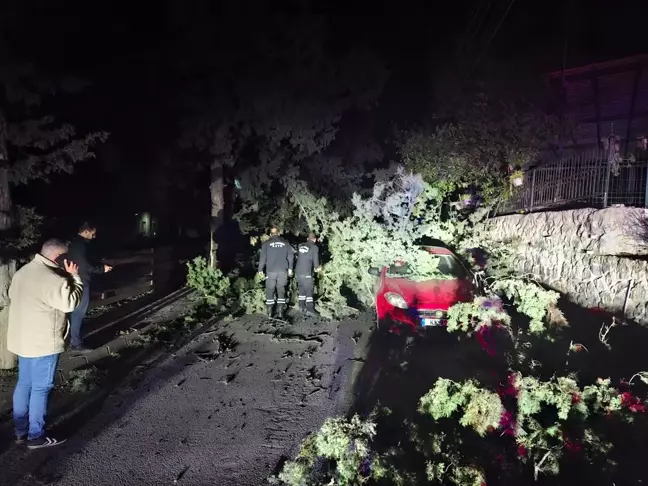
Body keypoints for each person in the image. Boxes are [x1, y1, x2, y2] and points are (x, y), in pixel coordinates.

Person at [7, 239, 84, 449]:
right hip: (43, 343)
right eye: (65, 257)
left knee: (24, 385)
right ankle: (36, 436)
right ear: (58, 258)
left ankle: (20, 432)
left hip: (23, 340)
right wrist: (74, 277)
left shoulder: (23, 272)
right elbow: (70, 302)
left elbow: (13, 296)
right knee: (41, 388)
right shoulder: (52, 279)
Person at [58, 222, 112, 352]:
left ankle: (71, 339)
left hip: (75, 280)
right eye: (93, 234)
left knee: (74, 312)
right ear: (86, 232)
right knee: (78, 313)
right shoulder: (80, 245)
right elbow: (84, 265)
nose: (94, 237)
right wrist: (101, 268)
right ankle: (75, 343)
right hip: (80, 282)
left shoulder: (76, 244)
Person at [257, 226, 294, 318]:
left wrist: (260, 270)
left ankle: (270, 313)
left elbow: (262, 258)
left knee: (270, 289)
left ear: (270, 234)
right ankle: (280, 312)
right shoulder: (286, 243)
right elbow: (291, 257)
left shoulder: (266, 244)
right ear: (278, 233)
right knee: (281, 289)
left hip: (270, 271)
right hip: (283, 271)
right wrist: (290, 269)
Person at [295, 232, 321, 316]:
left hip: (298, 271)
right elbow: (315, 259)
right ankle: (310, 308)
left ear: (307, 239)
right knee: (309, 288)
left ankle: (301, 306)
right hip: (307, 271)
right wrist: (317, 268)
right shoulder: (314, 247)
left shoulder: (300, 245)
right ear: (315, 239)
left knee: (302, 288)